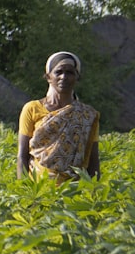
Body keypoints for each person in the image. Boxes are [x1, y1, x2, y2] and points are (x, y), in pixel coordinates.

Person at [17, 51, 100, 182]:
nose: (64, 77)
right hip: (38, 188)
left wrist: (94, 191)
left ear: (77, 77)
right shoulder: (32, 109)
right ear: (48, 76)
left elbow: (93, 159)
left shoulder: (88, 115)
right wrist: (23, 191)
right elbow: (22, 155)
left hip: (73, 191)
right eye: (58, 72)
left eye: (70, 73)